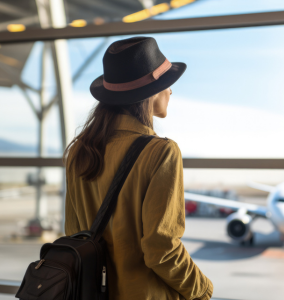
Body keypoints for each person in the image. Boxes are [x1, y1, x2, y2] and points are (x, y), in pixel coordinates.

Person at [63, 37, 213, 300]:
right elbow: (162, 250)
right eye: (167, 84)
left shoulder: (79, 151)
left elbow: (73, 233)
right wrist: (202, 289)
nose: (171, 91)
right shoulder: (161, 153)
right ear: (151, 92)